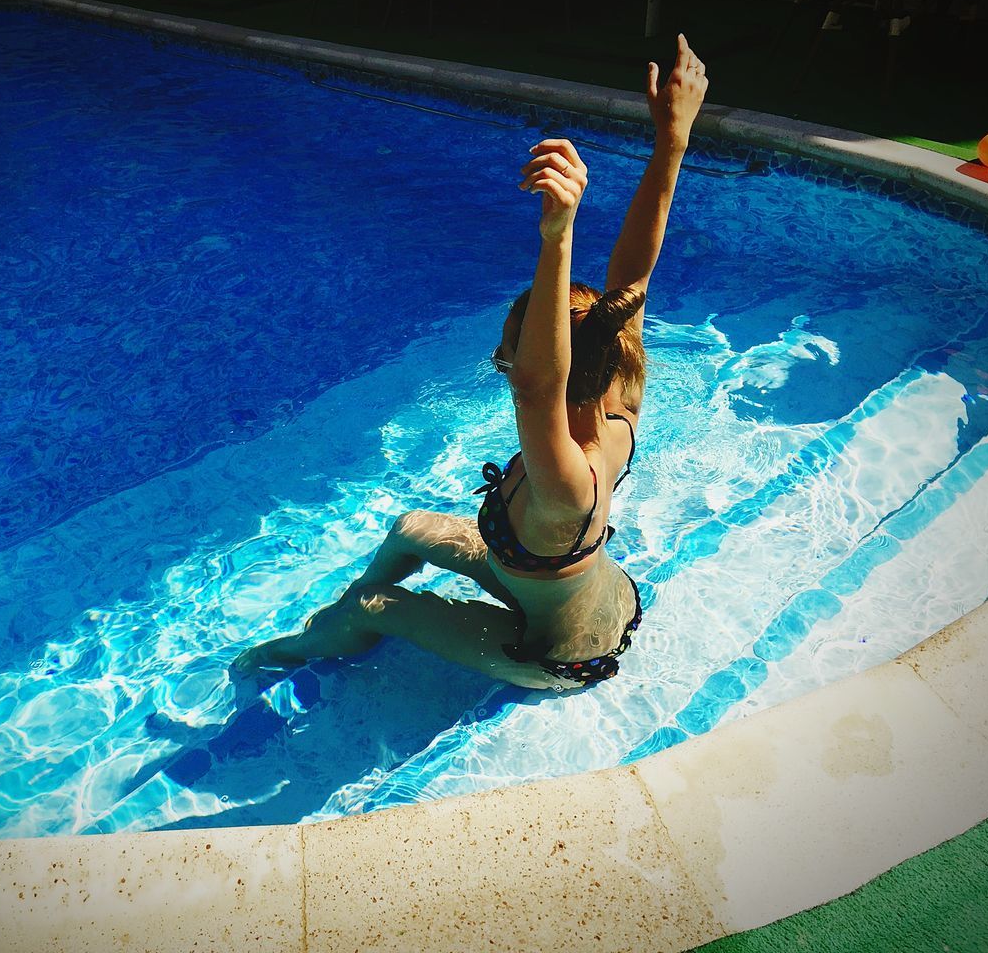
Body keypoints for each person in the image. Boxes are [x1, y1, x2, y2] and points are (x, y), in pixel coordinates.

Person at [233, 34, 709, 693]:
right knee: (410, 530)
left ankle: (296, 651)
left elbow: (541, 385)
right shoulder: (617, 389)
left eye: (511, 352)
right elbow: (632, 273)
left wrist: (559, 234)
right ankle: (343, 625)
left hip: (558, 652)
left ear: (526, 362)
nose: (503, 360)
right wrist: (671, 142)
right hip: (566, 588)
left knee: (379, 606)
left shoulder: (568, 476)